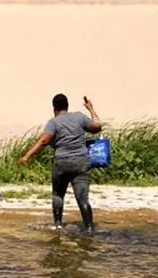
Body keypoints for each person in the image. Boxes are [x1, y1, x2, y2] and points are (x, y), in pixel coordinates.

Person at [18, 93, 105, 232]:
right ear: (67, 106)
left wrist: (27, 156)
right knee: (83, 199)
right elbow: (98, 126)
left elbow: (44, 141)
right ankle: (89, 229)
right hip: (81, 162)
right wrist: (91, 109)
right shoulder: (79, 117)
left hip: (62, 163)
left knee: (58, 195)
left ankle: (58, 226)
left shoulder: (54, 122)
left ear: (54, 108)